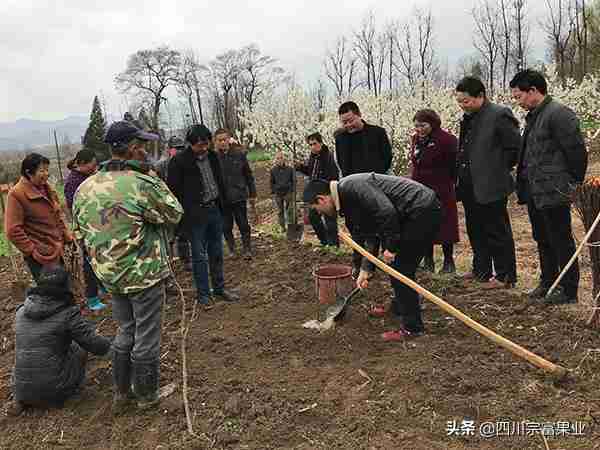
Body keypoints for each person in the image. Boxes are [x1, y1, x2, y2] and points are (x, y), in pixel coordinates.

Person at [73, 120, 183, 412]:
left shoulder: (85, 187)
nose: (146, 150)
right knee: (146, 335)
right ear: (133, 148)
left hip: (109, 275)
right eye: (143, 145)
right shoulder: (141, 184)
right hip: (143, 275)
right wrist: (153, 176)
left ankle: (121, 394)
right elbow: (174, 213)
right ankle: (146, 395)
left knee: (125, 331)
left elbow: (80, 230)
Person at [303, 174, 441, 341]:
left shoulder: (352, 188)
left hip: (421, 210)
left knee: (401, 269)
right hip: (411, 212)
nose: (319, 213)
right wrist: (365, 268)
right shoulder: (346, 198)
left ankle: (413, 328)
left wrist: (391, 247)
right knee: (399, 267)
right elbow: (370, 233)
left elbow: (386, 212)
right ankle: (400, 306)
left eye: (316, 209)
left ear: (322, 199)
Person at [510, 69, 588, 304]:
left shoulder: (559, 114)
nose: (518, 102)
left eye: (519, 96)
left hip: (555, 190)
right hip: (536, 191)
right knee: (542, 238)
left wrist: (572, 184)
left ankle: (568, 289)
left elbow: (576, 152)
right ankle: (548, 282)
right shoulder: (534, 116)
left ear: (533, 91)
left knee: (561, 239)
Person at [10, 265, 111, 416]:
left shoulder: (21, 311)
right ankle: (71, 391)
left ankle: (24, 399)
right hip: (55, 391)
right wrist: (117, 342)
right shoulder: (68, 314)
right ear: (66, 286)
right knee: (78, 346)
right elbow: (97, 346)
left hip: (19, 389)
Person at [455, 77, 521, 288]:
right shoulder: (468, 118)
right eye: (459, 101)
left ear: (480, 96)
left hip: (491, 183)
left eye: (466, 101)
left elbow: (513, 149)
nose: (462, 105)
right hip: (469, 185)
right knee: (475, 229)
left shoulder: (499, 114)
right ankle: (481, 269)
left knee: (497, 230)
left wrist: (496, 169)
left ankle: (505, 275)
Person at [167, 124, 240, 305]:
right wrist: (182, 219)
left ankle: (219, 288)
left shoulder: (213, 157)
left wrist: (223, 206)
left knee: (217, 252)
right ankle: (204, 294)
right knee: (199, 256)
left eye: (206, 144)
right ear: (190, 144)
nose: (204, 148)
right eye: (199, 145)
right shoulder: (179, 162)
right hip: (194, 216)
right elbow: (173, 192)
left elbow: (220, 182)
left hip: (214, 210)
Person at [335, 101, 393, 279]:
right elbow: (342, 164)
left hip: (375, 186)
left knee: (376, 225)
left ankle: (375, 262)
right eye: (344, 122)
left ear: (359, 114)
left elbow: (387, 158)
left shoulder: (377, 132)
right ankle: (358, 260)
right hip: (351, 189)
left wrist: (375, 178)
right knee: (355, 227)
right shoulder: (341, 138)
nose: (348, 125)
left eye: (350, 120)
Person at [5, 153, 74, 281]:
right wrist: (33, 251)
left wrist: (66, 235)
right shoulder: (16, 194)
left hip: (58, 249)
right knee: (51, 294)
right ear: (28, 172)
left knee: (65, 289)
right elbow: (12, 230)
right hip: (41, 256)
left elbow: (57, 215)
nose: (47, 174)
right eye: (42, 170)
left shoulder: (48, 190)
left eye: (47, 170)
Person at [409, 109, 460, 273]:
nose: (419, 129)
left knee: (446, 225)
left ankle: (448, 262)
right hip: (420, 188)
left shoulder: (447, 140)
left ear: (432, 123)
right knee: (424, 224)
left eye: (423, 125)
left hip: (442, 188)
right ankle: (428, 260)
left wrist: (449, 182)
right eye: (416, 126)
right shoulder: (416, 139)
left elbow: (455, 165)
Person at [63, 149, 107, 312]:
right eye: (92, 165)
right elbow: (73, 208)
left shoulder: (86, 177)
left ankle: (103, 287)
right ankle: (92, 298)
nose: (95, 168)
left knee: (99, 257)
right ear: (81, 163)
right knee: (89, 262)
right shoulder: (73, 182)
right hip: (86, 228)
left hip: (97, 224)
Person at [215, 128, 257, 259]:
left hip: (239, 196)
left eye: (224, 139)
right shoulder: (213, 158)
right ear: (215, 142)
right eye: (219, 140)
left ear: (229, 139)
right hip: (222, 199)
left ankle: (247, 249)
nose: (222, 142)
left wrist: (252, 193)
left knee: (243, 224)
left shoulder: (239, 155)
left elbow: (248, 175)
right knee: (226, 226)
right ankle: (232, 249)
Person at [295, 132, 340, 247]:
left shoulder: (328, 156)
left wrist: (327, 193)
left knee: (330, 220)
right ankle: (324, 241)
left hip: (326, 193)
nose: (312, 147)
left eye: (314, 144)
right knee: (313, 218)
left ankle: (334, 246)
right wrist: (300, 167)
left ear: (320, 143)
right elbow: (311, 172)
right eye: (310, 145)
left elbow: (333, 176)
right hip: (315, 193)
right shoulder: (313, 157)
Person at [155, 136, 192, 271]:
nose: (180, 151)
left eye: (181, 148)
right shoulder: (160, 165)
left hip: (180, 203)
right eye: (177, 149)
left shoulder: (184, 162)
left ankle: (185, 260)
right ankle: (168, 262)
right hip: (165, 204)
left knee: (183, 233)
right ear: (170, 150)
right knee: (167, 236)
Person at [270, 151, 295, 232]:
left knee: (289, 209)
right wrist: (274, 191)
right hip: (278, 193)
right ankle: (282, 227)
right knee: (280, 211)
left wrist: (292, 190)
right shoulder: (273, 170)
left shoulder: (289, 169)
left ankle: (291, 225)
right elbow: (271, 182)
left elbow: (294, 181)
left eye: (281, 158)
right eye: (278, 158)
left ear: (284, 159)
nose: (279, 160)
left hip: (288, 192)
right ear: (275, 160)